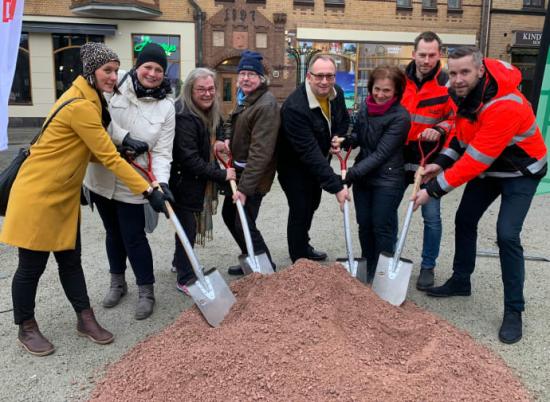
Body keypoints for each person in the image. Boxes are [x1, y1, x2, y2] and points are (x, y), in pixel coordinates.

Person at [0, 42, 170, 356]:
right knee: (30, 267)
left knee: (71, 261)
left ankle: (85, 319)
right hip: (38, 194)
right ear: (90, 71)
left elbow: (89, 149)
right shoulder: (80, 105)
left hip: (62, 194)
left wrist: (122, 148)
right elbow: (107, 158)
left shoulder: (91, 98)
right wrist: (148, 190)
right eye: (107, 70)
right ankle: (26, 326)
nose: (113, 76)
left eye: (116, 70)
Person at [413, 47, 547, 344]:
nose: (457, 79)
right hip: (491, 168)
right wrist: (441, 163)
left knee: (507, 234)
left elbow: (475, 160)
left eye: (465, 73)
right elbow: (461, 139)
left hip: (520, 171)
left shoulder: (504, 105)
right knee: (465, 219)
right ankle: (461, 280)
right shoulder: (460, 94)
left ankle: (514, 310)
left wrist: (432, 190)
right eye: (454, 72)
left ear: (480, 71)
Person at [84, 43, 176, 320]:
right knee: (112, 234)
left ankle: (146, 290)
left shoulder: (166, 106)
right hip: (101, 177)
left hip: (135, 182)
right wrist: (123, 137)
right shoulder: (115, 83)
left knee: (134, 237)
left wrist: (162, 184)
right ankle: (117, 283)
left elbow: (162, 151)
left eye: (159, 69)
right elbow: (97, 120)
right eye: (147, 66)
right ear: (137, 66)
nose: (152, 73)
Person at [335, 66, 410, 283]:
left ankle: (383, 272)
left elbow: (381, 153)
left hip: (388, 179)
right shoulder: (366, 109)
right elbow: (359, 135)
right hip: (364, 179)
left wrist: (350, 175)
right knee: (364, 224)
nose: (380, 95)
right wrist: (345, 140)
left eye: (386, 90)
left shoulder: (400, 117)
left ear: (396, 91)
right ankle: (368, 266)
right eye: (377, 89)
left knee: (381, 226)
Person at [278, 54, 350, 263]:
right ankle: (299, 261)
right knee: (300, 208)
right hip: (294, 167)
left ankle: (303, 245)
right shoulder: (295, 107)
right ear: (309, 76)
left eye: (329, 76)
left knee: (313, 204)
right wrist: (337, 187)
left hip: (319, 161)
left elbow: (343, 120)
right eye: (319, 76)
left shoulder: (337, 94)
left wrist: (338, 137)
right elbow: (308, 152)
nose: (325, 81)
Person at [169, 68, 236, 294]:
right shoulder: (184, 115)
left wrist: (216, 143)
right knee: (186, 226)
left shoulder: (203, 110)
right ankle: (185, 277)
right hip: (182, 181)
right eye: (201, 89)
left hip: (190, 180)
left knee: (185, 225)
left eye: (211, 89)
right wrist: (222, 175)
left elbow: (213, 132)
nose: (207, 94)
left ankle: (180, 261)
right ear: (190, 90)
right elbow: (189, 159)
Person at [214, 50, 279, 275]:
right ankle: (251, 257)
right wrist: (228, 138)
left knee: (243, 222)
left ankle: (265, 269)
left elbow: (261, 153)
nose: (245, 78)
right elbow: (233, 120)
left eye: (251, 74)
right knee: (230, 215)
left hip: (254, 176)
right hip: (241, 171)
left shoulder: (266, 105)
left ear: (262, 78)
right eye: (242, 73)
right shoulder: (245, 99)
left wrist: (244, 189)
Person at [402, 31, 455, 290]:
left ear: (439, 55)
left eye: (432, 55)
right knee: (387, 210)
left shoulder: (448, 84)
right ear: (413, 54)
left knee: (431, 216)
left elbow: (458, 119)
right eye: (421, 54)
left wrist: (441, 129)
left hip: (429, 159)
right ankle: (388, 256)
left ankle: (428, 266)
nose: (426, 60)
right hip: (398, 157)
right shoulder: (400, 80)